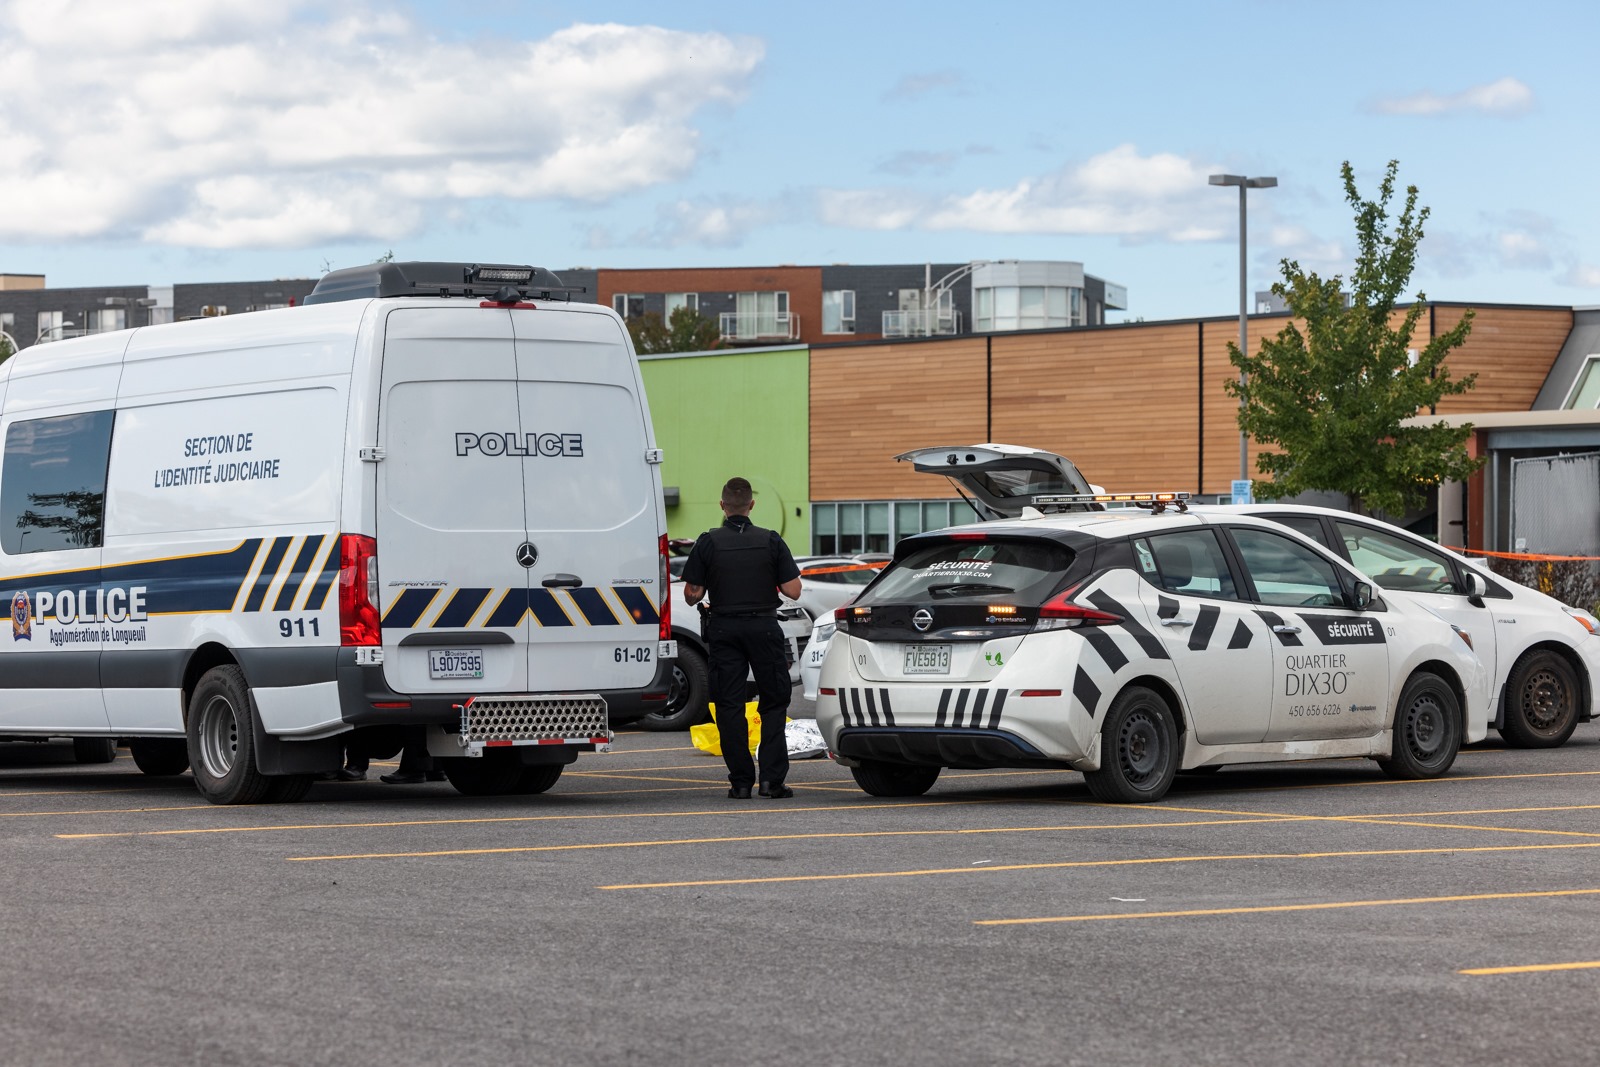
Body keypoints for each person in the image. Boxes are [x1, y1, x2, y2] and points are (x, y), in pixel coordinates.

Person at [680, 477, 803, 800]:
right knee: (774, 702)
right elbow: (793, 590)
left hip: (724, 629)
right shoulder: (771, 540)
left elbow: (692, 594)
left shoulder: (708, 542)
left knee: (729, 705)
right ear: (751, 505)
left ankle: (741, 783)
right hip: (764, 627)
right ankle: (772, 782)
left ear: (722, 506)